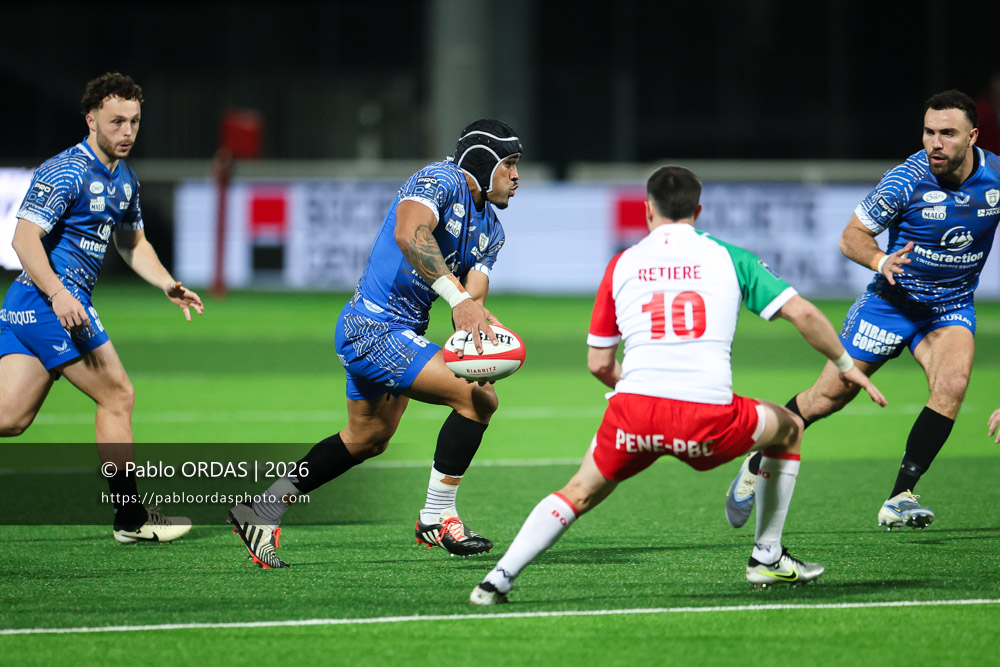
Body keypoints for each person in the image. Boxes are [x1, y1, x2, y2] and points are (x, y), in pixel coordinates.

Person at [469, 166, 887, 605]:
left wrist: (630, 388)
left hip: (635, 413)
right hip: (706, 418)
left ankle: (497, 579)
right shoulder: (730, 257)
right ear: (698, 210)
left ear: (647, 210)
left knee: (578, 491)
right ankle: (766, 554)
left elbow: (598, 363)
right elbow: (802, 313)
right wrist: (845, 363)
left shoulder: (622, 264)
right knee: (789, 428)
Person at [228, 119, 522, 568]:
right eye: (510, 165)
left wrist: (477, 320)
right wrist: (460, 299)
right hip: (373, 327)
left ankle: (262, 509)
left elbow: (473, 296)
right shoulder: (438, 180)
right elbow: (410, 234)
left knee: (368, 438)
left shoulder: (493, 230)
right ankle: (437, 517)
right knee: (478, 399)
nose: (517, 176)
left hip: (399, 333)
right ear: (482, 162)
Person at [724, 89, 1000, 532]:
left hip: (949, 307)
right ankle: (756, 460)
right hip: (889, 305)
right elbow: (851, 236)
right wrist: (880, 261)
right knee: (826, 399)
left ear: (973, 136)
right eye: (929, 132)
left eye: (947, 133)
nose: (935, 143)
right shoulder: (904, 180)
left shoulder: (996, 180)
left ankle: (899, 497)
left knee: (952, 383)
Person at [0, 72, 204, 543]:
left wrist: (167, 283)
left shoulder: (124, 179)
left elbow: (134, 244)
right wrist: (59, 294)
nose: (127, 131)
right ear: (91, 120)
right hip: (50, 303)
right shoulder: (65, 170)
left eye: (134, 121)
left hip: (42, 304)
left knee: (10, 419)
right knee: (118, 395)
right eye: (116, 122)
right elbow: (22, 238)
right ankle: (131, 518)